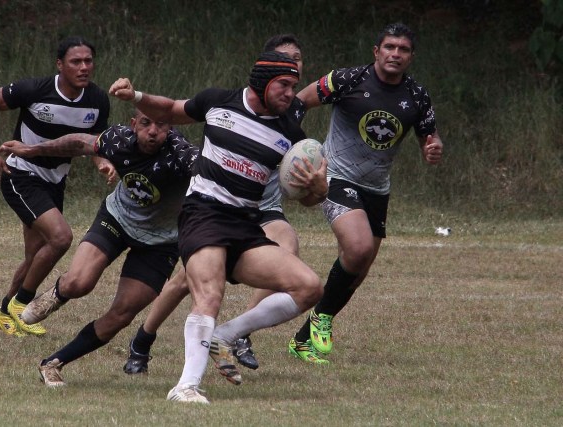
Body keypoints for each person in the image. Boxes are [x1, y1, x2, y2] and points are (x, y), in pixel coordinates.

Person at [109, 50, 328, 404]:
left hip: (245, 224)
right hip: (203, 214)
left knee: (309, 287)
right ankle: (185, 386)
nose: (291, 93)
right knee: (209, 295)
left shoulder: (290, 132)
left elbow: (304, 197)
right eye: (284, 85)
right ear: (263, 82)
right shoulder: (219, 101)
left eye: (294, 86)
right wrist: (135, 97)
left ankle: (225, 335)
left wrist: (318, 190)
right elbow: (170, 110)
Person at [0, 109, 198, 386]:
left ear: (171, 127)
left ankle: (53, 363)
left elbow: (215, 176)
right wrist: (31, 149)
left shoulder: (181, 155)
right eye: (145, 123)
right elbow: (79, 143)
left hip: (161, 241)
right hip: (117, 219)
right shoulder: (119, 140)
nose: (152, 131)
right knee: (79, 283)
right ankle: (57, 293)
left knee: (121, 315)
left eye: (161, 125)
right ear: (133, 124)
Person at [288, 22, 444, 364]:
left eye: (403, 49)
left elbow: (429, 138)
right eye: (389, 47)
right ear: (376, 51)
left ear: (411, 57)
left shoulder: (417, 96)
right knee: (356, 249)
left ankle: (302, 340)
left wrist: (433, 148)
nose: (395, 54)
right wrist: (292, 144)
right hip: (337, 177)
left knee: (356, 272)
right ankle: (322, 318)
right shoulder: (347, 80)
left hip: (377, 189)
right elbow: (299, 102)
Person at [0, 36, 113, 337]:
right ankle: (22, 304)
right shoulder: (35, 90)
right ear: (60, 65)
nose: (83, 67)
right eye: (76, 61)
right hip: (21, 174)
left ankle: (3, 313)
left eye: (88, 61)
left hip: (55, 181)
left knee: (36, 256)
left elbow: (94, 142)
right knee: (61, 237)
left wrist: (103, 162)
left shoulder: (97, 100)